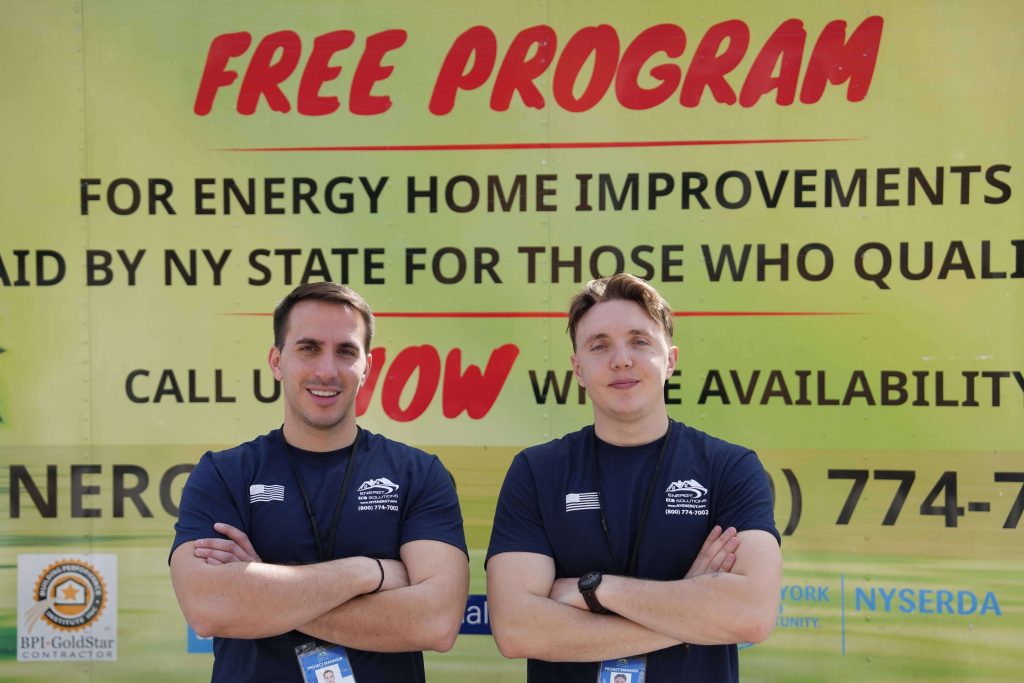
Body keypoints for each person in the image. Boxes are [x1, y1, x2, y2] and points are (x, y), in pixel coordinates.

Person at [486, 273, 782, 682]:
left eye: (639, 341)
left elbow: (750, 615)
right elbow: (518, 630)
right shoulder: (536, 472)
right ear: (578, 369)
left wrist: (596, 589)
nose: (621, 359)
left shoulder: (728, 468)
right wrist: (689, 609)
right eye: (599, 345)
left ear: (671, 360)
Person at [169, 282, 469, 682]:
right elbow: (208, 607)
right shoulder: (224, 474)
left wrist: (263, 589)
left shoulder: (418, 474)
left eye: (345, 351)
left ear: (367, 367)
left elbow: (436, 622)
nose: (326, 370)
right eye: (308, 348)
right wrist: (368, 573)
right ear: (277, 361)